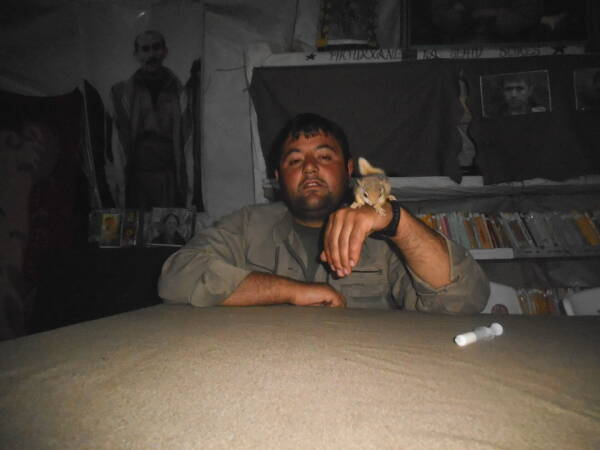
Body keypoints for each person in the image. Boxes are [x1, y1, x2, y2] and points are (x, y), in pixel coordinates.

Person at [158, 113, 490, 313]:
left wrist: (395, 221)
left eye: (324, 157)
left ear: (348, 169)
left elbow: (462, 303)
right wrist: (290, 291)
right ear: (278, 177)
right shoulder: (247, 224)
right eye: (295, 160)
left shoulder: (384, 234)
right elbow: (176, 277)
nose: (310, 168)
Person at [111, 30, 189, 209]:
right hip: (138, 178)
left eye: (156, 48)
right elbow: (119, 145)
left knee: (167, 224)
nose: (151, 54)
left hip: (168, 176)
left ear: (165, 51)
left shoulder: (180, 92)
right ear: (136, 54)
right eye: (145, 49)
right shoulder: (122, 93)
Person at [431, 0, 540, 42]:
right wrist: (467, 18)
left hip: (509, 49)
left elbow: (529, 15)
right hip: (460, 49)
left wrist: (490, 15)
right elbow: (438, 16)